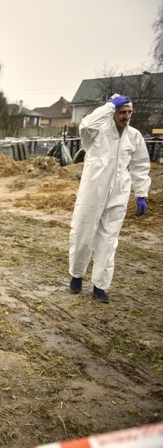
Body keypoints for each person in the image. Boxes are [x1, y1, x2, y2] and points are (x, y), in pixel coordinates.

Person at [68, 94, 151, 304]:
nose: (126, 116)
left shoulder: (134, 136)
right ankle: (76, 275)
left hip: (118, 194)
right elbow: (85, 125)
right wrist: (108, 106)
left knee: (109, 239)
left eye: (129, 112)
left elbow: (140, 165)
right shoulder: (97, 132)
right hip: (93, 192)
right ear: (113, 112)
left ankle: (100, 286)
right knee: (83, 233)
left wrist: (141, 193)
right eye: (122, 112)